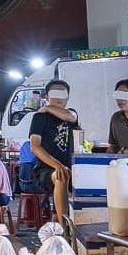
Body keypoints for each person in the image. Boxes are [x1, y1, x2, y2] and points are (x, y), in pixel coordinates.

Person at [27, 80, 78, 224]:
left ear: (68, 97)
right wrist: (57, 165)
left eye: (63, 94)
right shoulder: (39, 118)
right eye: (54, 94)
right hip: (46, 170)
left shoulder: (71, 114)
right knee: (61, 175)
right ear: (47, 96)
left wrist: (48, 108)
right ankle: (65, 228)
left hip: (71, 168)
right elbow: (35, 147)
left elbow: (71, 117)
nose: (59, 98)